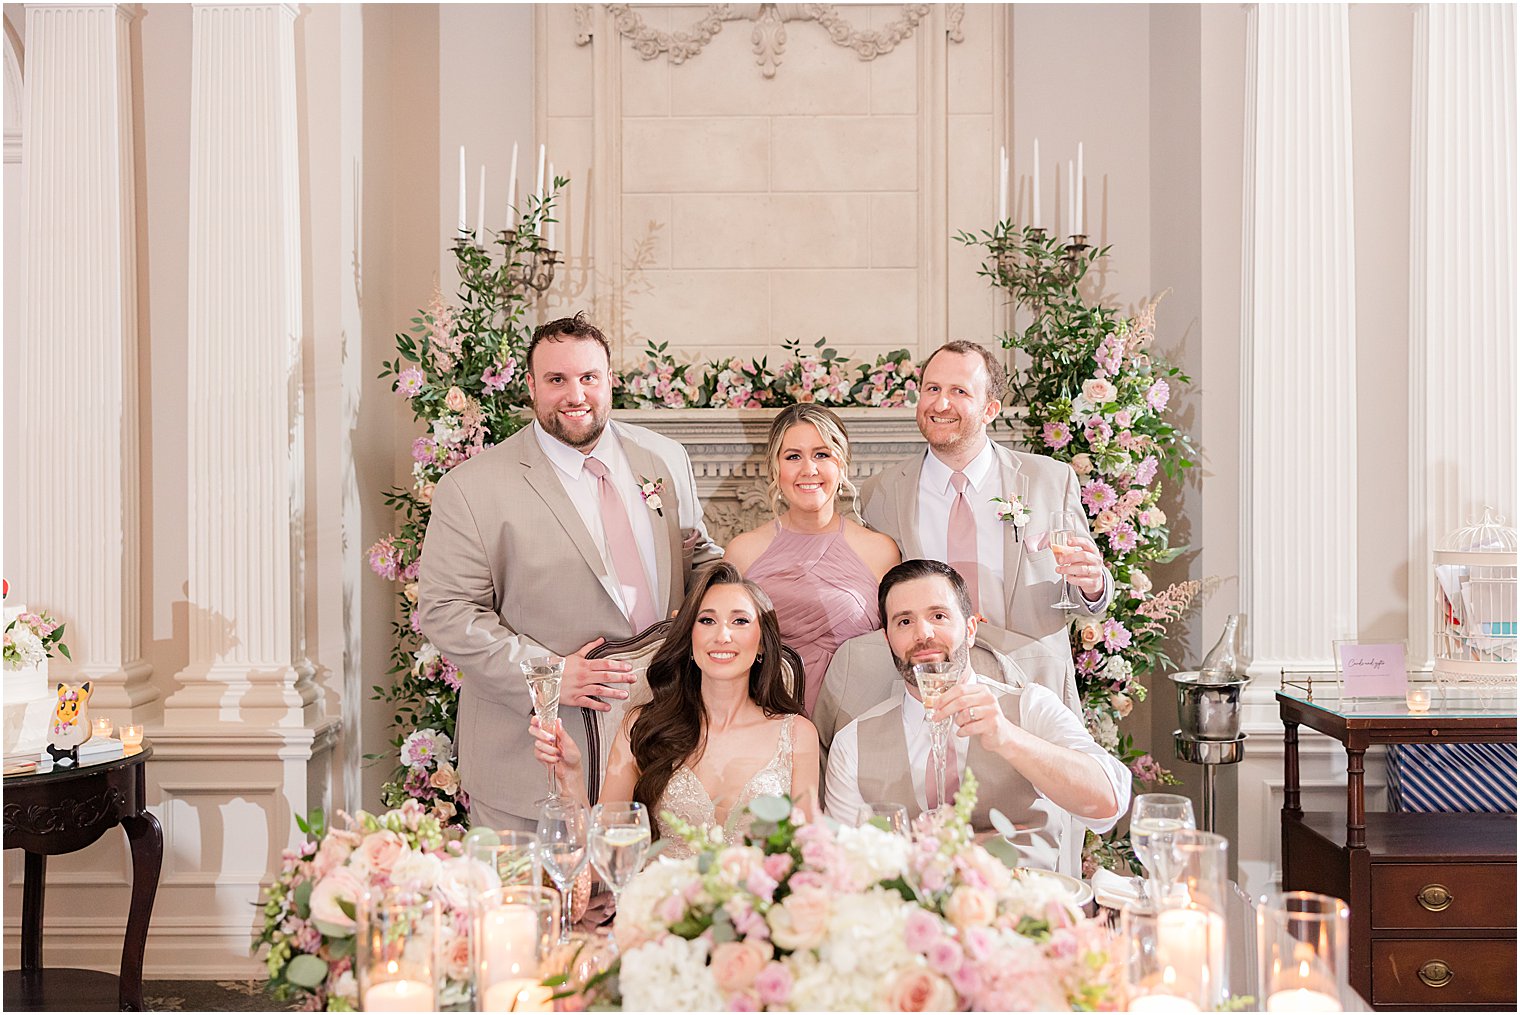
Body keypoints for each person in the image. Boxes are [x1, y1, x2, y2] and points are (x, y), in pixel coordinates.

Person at [417, 313, 721, 832]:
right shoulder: (473, 487)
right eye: (557, 380)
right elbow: (446, 611)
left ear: (609, 380)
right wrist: (549, 674)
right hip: (533, 759)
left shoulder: (665, 458)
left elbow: (698, 557)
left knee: (650, 907)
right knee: (535, 909)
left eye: (588, 378)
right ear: (531, 386)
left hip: (662, 746)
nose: (574, 394)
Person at [823, 560, 1129, 871]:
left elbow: (1108, 805)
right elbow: (842, 866)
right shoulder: (853, 743)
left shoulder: (1030, 706)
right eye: (904, 622)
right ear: (888, 640)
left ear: (970, 630)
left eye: (939, 616)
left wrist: (1009, 738)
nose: (923, 633)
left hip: (1025, 911)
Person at [860, 340, 1113, 711]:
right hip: (926, 692)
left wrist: (1092, 585)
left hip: (1032, 690)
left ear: (990, 409)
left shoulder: (1049, 481)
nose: (940, 404)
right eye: (932, 389)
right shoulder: (879, 492)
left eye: (958, 391)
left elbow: (1085, 599)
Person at [531, 562, 820, 857]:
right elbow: (604, 857)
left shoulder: (797, 734)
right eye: (707, 621)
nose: (722, 635)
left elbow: (809, 858)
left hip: (760, 901)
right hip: (659, 899)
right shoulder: (643, 725)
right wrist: (572, 777)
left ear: (761, 644)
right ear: (690, 638)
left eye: (740, 621)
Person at [725, 404, 900, 716]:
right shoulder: (742, 552)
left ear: (842, 463)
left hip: (858, 718)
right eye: (793, 456)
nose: (809, 469)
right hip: (766, 717)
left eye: (822, 454)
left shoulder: (881, 551)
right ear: (775, 468)